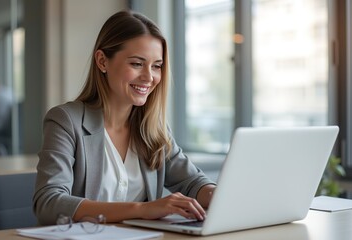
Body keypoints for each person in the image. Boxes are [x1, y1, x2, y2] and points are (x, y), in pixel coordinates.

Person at [33, 10, 216, 226]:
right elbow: (49, 203)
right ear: (102, 61)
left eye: (156, 66)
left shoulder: (153, 128)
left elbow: (192, 181)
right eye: (137, 64)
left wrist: (220, 196)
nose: (149, 77)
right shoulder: (66, 121)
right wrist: (142, 209)